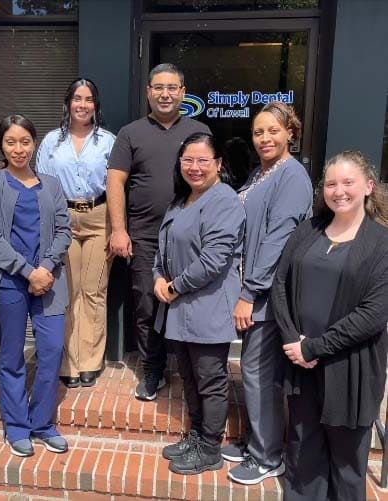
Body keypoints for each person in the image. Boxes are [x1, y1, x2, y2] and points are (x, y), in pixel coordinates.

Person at [271, 151, 388, 501]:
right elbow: (280, 285)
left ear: (368, 186)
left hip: (349, 371)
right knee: (303, 453)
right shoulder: (308, 230)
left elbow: (374, 313)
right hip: (302, 367)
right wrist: (294, 342)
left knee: (347, 464)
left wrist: (313, 348)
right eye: (332, 184)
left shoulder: (381, 244)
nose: (339, 191)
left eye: (348, 182)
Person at [107, 63, 211, 401]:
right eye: (158, 87)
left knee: (190, 301)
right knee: (147, 305)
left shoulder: (199, 130)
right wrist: (119, 230)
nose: (165, 94)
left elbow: (210, 178)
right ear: (148, 92)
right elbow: (115, 181)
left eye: (172, 87)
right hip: (144, 235)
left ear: (183, 92)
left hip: (190, 236)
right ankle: (153, 370)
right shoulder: (130, 133)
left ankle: (188, 367)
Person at [224, 101, 313, 485]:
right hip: (256, 287)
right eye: (259, 132)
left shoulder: (291, 176)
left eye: (273, 131)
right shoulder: (263, 173)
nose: (264, 138)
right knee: (256, 370)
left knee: (260, 373)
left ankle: (267, 456)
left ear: (290, 132)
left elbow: (278, 238)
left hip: (270, 291)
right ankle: (255, 442)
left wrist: (249, 291)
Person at [0, 114, 71, 457]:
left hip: (50, 281)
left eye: (25, 141)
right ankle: (16, 426)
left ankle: (42, 423)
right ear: (1, 145)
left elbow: (64, 230)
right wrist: (27, 271)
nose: (18, 149)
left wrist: (44, 269)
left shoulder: (51, 183)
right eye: (10, 142)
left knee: (51, 351)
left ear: (34, 144)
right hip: (10, 283)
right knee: (11, 355)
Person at [154, 132, 245, 474]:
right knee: (189, 379)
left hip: (207, 307)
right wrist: (158, 278)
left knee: (210, 380)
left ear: (218, 164)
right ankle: (195, 436)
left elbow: (214, 260)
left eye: (202, 161)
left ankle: (210, 448)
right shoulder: (181, 201)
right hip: (180, 309)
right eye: (188, 160)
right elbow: (162, 250)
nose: (194, 167)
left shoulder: (224, 201)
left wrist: (174, 286)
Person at [36, 78, 115, 388]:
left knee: (93, 291)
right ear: (68, 103)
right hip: (62, 217)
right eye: (77, 98)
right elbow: (42, 186)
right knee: (67, 292)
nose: (83, 104)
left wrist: (118, 227)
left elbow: (117, 185)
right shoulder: (51, 142)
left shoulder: (108, 141)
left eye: (89, 99)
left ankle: (91, 361)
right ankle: (69, 361)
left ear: (96, 104)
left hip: (99, 216)